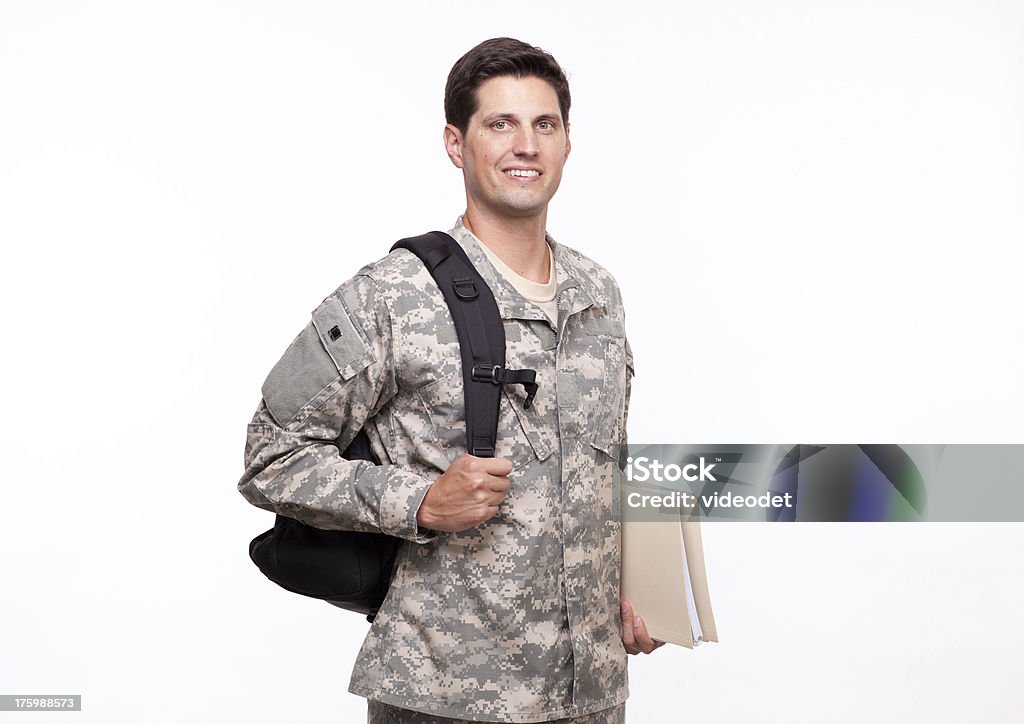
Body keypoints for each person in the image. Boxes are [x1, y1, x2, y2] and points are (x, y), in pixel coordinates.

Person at [238, 37, 660, 724]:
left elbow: (603, 469)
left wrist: (641, 590)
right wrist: (420, 502)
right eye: (500, 124)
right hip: (446, 696)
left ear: (567, 143)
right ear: (456, 144)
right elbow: (271, 457)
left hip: (590, 693)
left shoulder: (597, 293)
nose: (525, 145)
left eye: (544, 124)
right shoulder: (393, 294)